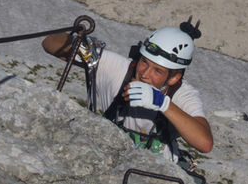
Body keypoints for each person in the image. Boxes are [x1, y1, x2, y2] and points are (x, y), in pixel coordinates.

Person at [41, 22, 213, 164]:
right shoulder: (120, 69)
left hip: (158, 170)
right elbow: (49, 43)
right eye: (144, 62)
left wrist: (163, 103)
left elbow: (205, 143)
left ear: (174, 78)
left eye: (157, 71)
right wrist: (79, 45)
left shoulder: (183, 95)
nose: (145, 74)